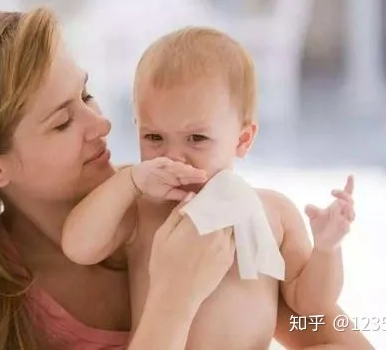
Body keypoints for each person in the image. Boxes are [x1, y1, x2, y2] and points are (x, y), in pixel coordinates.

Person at [0, 7, 373, 350]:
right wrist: (172, 301)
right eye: (61, 121)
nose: (102, 125)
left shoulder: (205, 217)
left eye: (87, 94)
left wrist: (326, 249)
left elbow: (329, 333)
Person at [61, 27, 358, 349]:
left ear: (243, 139)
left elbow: (310, 305)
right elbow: (79, 246)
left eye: (197, 139)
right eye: (154, 137)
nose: (173, 156)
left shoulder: (274, 213)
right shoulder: (142, 209)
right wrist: (129, 181)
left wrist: (327, 249)